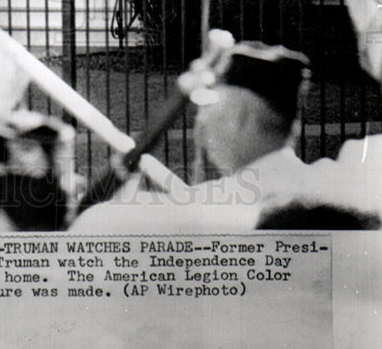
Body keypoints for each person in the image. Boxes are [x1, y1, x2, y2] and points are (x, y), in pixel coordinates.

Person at [71, 40, 314, 233]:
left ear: (239, 116)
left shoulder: (209, 209)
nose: (202, 123)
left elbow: (89, 221)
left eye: (208, 107)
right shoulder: (328, 183)